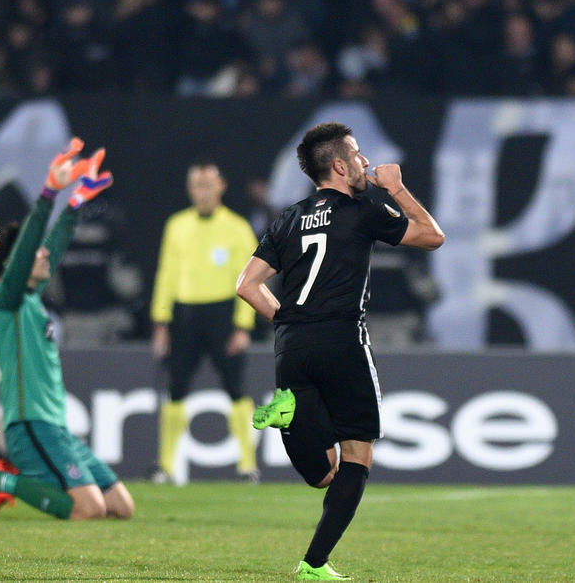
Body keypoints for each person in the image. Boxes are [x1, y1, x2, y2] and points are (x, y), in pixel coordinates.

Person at [235, 122, 444, 580]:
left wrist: (290, 320)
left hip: (290, 346)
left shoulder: (288, 218)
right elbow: (432, 236)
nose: (366, 162)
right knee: (356, 457)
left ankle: (289, 415)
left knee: (324, 473)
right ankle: (313, 565)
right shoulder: (362, 207)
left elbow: (247, 286)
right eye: (359, 155)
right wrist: (398, 189)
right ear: (339, 165)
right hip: (342, 340)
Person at [0, 138, 135, 521]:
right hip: (29, 425)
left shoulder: (33, 299)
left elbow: (50, 247)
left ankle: (4, 480)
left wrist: (76, 203)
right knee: (89, 510)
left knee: (121, 507)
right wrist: (49, 193)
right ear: (13, 264)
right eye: (34, 251)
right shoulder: (3, 302)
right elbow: (30, 253)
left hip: (57, 427)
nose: (44, 254)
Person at [150, 161, 259, 484]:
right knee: (176, 389)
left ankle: (247, 465)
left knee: (236, 388)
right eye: (197, 185)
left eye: (208, 184)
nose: (203, 191)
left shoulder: (238, 227)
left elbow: (250, 278)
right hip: (184, 314)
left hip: (223, 313)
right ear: (190, 189)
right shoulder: (176, 225)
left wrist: (243, 325)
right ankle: (166, 466)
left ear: (221, 186)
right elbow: (165, 274)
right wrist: (160, 321)